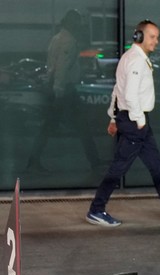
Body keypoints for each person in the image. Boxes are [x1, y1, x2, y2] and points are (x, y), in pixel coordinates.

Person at [87, 20, 160, 227]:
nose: (156, 41)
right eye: (152, 36)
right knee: (118, 168)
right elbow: (128, 94)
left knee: (157, 165)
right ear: (139, 36)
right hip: (134, 122)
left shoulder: (130, 58)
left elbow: (117, 91)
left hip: (132, 120)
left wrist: (113, 117)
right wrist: (138, 120)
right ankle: (96, 209)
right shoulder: (136, 61)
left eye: (157, 37)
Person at [26, 10, 101, 173]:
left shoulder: (56, 39)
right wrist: (59, 90)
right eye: (77, 23)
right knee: (82, 126)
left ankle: (33, 161)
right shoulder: (69, 42)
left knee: (48, 127)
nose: (80, 27)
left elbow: (51, 65)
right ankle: (95, 162)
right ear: (72, 24)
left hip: (58, 89)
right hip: (65, 90)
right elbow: (62, 67)